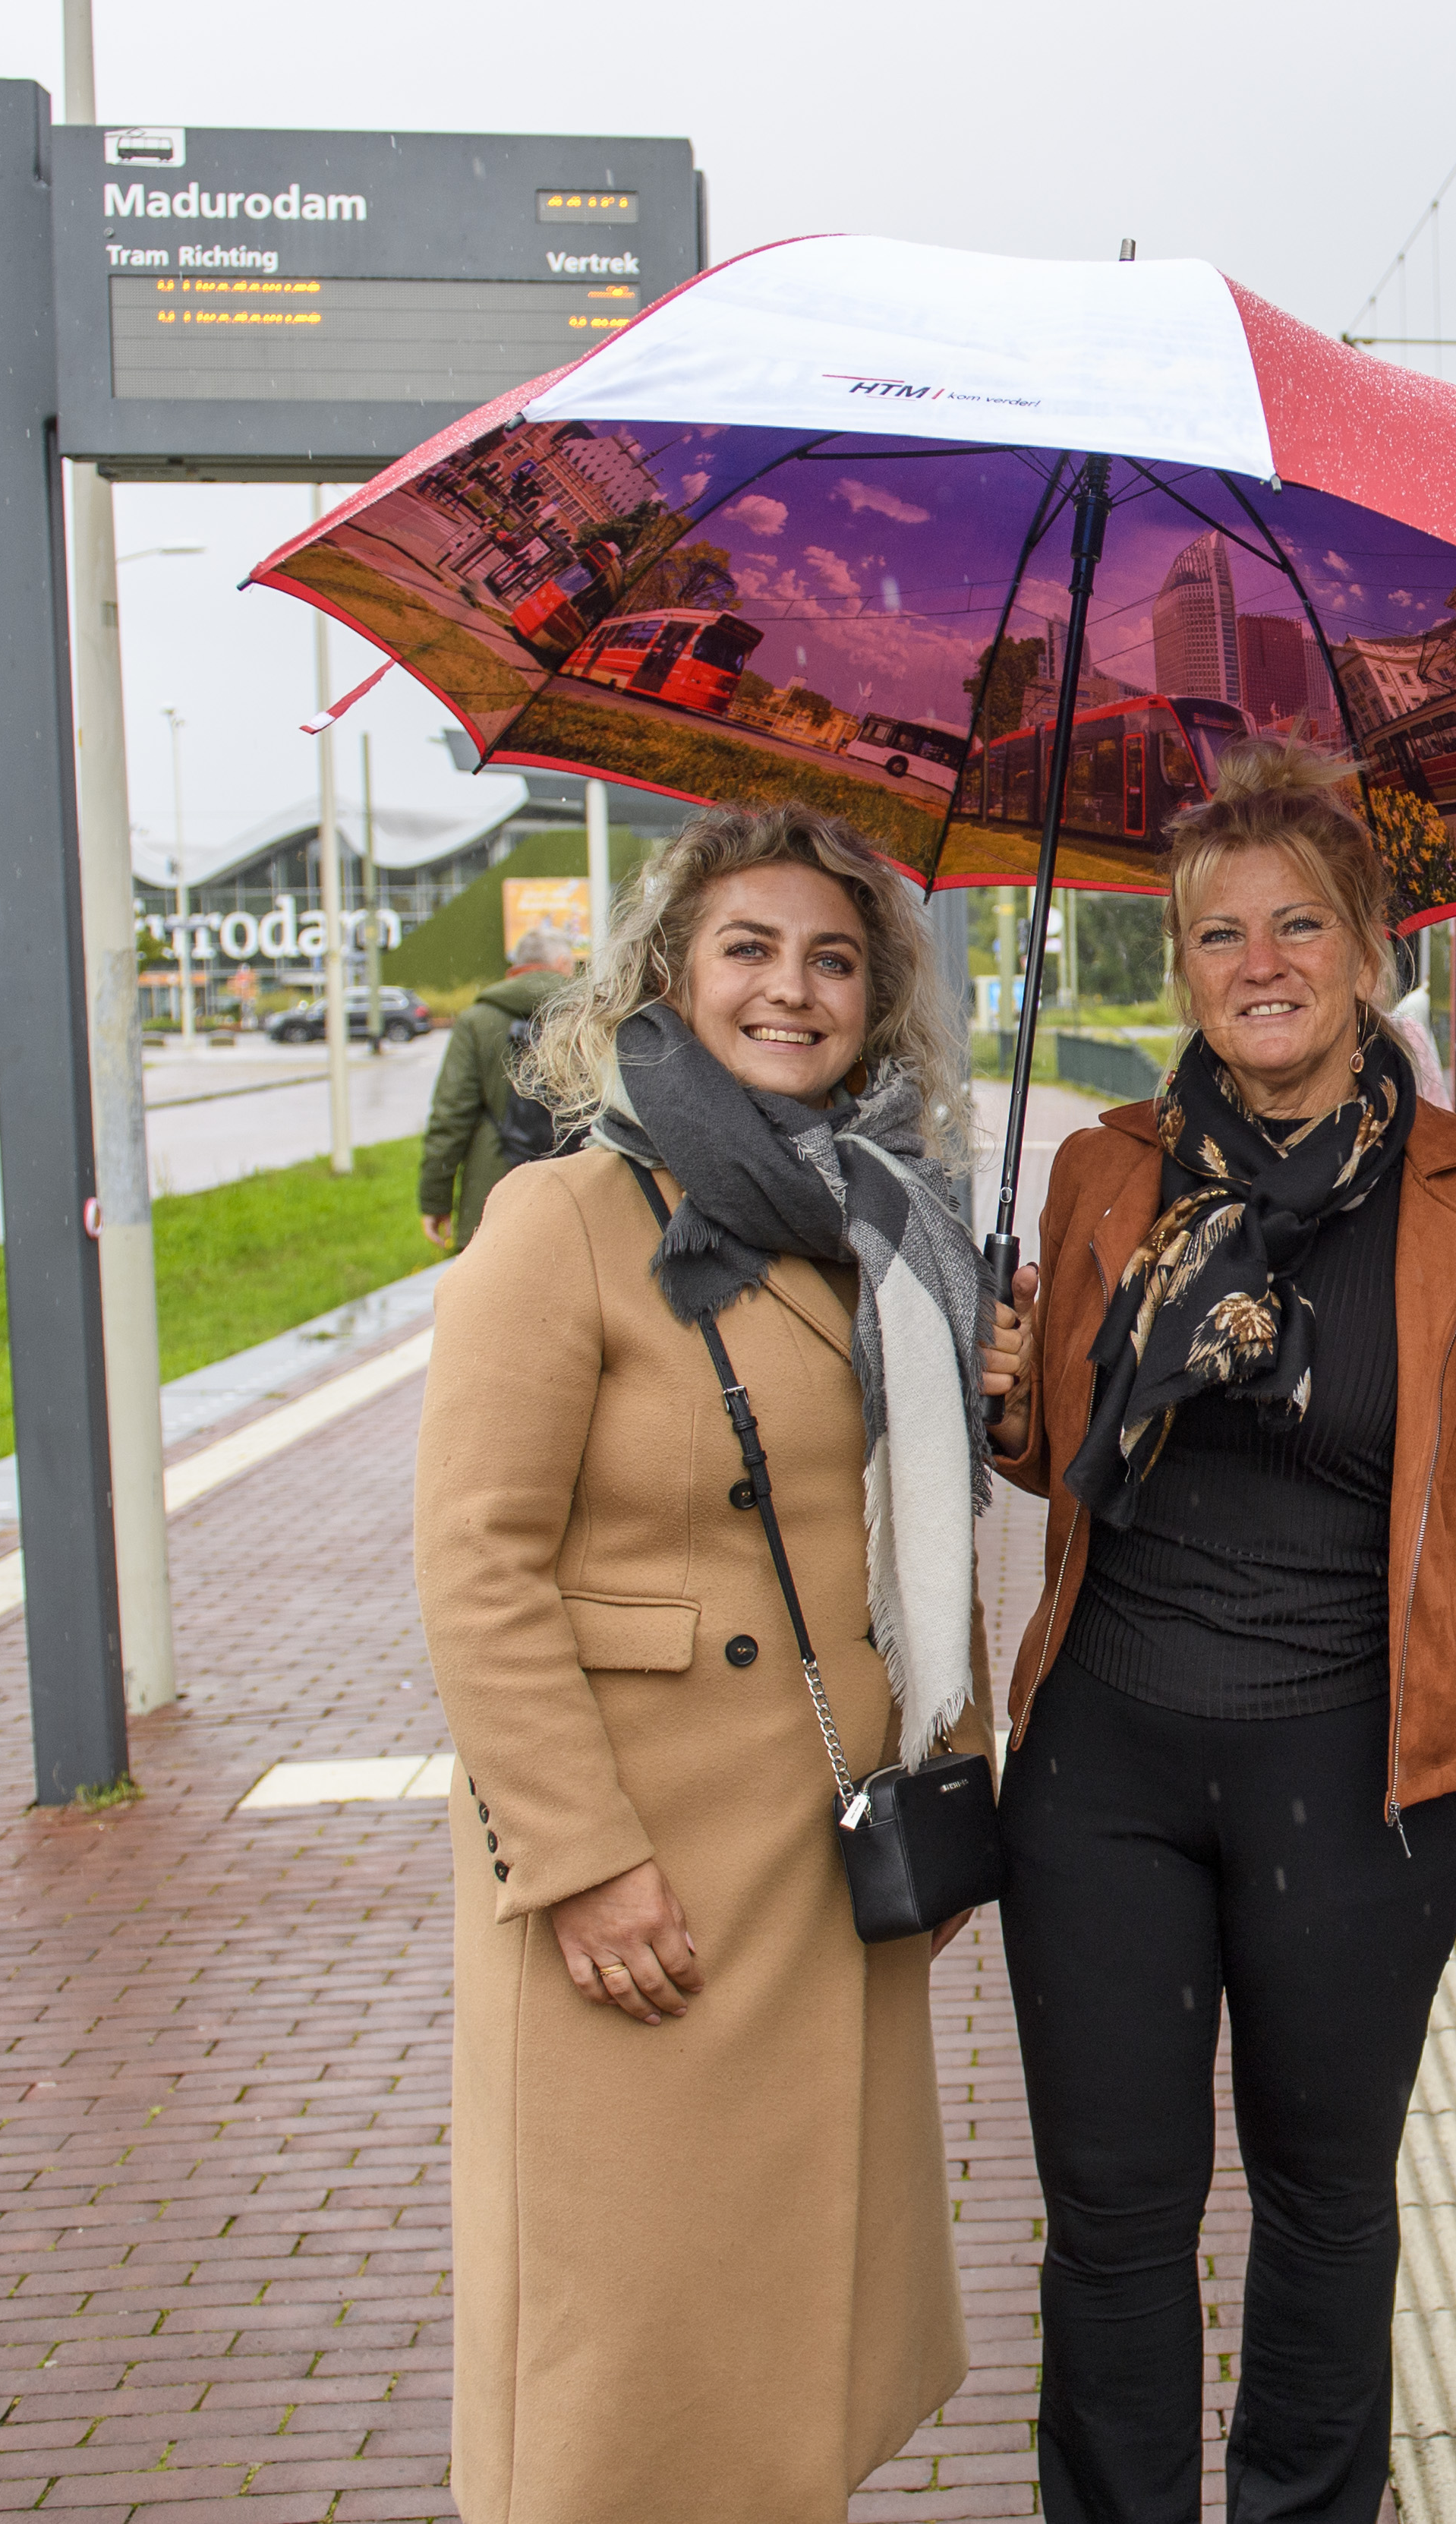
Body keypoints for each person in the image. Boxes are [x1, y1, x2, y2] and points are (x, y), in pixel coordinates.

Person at [977, 734, 1456, 2524]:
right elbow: (1052, 1457)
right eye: (1217, 932)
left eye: (1297, 921)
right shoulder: (1101, 1176)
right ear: (1182, 964)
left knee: (1326, 2200)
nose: (1259, 962)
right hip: (1102, 1771)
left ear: (1369, 950)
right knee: (1116, 2207)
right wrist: (1004, 1387)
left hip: (1354, 1778)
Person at [412, 805, 1008, 2524]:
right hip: (644, 1866)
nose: (790, 988)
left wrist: (946, 1770)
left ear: (876, 999)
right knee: (633, 2347)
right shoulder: (567, 1216)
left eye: (833, 957)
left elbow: (912, 1521)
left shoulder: (885, 1221)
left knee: (774, 2334)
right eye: (748, 946)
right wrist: (579, 1860)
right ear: (668, 971)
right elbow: (478, 1560)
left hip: (824, 1855)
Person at [418, 920, 578, 1250]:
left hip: (494, 1190)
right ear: (562, 965)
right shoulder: (590, 1014)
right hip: (578, 1190)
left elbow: (451, 1116)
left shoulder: (476, 1021)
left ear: (515, 968)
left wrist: (435, 1199)